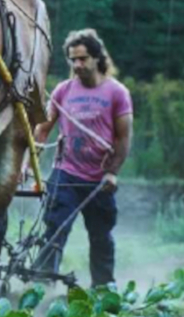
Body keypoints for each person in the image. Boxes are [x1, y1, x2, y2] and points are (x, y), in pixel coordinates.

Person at [33, 29, 133, 287]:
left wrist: (113, 172)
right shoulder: (63, 91)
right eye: (72, 59)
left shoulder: (116, 93)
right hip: (65, 173)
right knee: (54, 231)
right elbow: (43, 128)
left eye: (83, 59)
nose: (77, 65)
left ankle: (103, 289)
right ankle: (41, 287)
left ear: (97, 58)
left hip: (99, 178)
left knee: (100, 237)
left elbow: (123, 138)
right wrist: (31, 159)